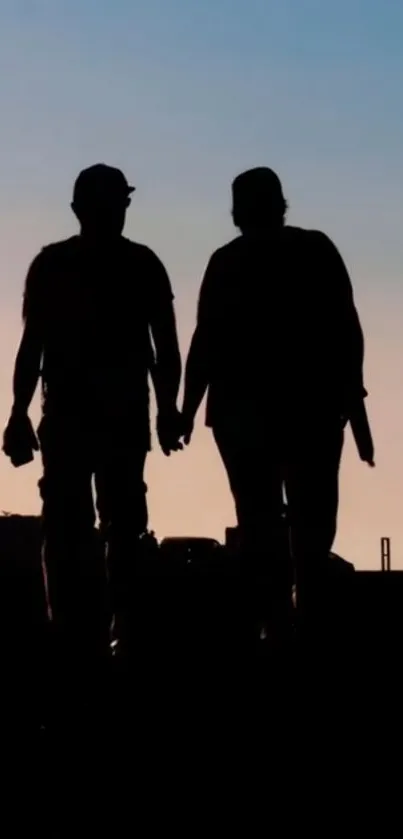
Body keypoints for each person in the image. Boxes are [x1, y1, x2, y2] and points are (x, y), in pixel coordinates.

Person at [3, 163, 182, 660]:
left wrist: (18, 414)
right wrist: (169, 408)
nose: (116, 213)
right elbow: (163, 348)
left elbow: (32, 348)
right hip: (97, 418)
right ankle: (104, 632)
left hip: (83, 418)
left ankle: (85, 631)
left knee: (82, 526)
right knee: (100, 525)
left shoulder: (58, 265)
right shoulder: (138, 264)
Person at [181, 167, 371, 629]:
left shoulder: (226, 262)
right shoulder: (315, 250)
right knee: (312, 521)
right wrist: (356, 410)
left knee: (259, 519)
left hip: (246, 418)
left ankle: (278, 621)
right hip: (311, 413)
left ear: (237, 212)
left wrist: (185, 412)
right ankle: (303, 616)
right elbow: (347, 331)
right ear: (281, 204)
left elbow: (204, 344)